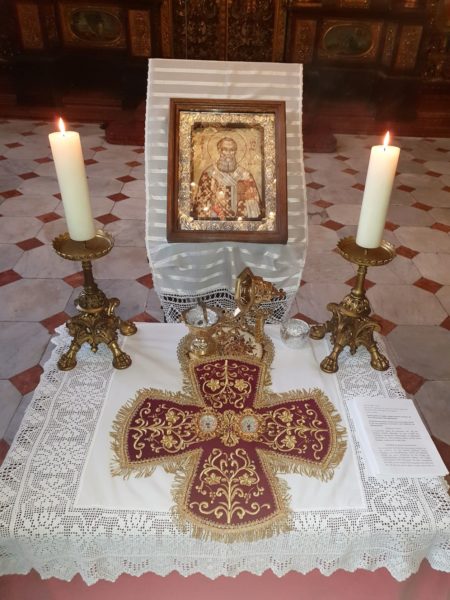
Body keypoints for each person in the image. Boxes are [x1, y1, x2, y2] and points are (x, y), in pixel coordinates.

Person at [192, 137, 263, 221]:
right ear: (219, 150)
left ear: (235, 151)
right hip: (215, 221)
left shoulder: (245, 175)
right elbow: (201, 203)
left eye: (232, 150)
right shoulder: (208, 174)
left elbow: (254, 204)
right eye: (225, 149)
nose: (229, 153)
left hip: (241, 223)